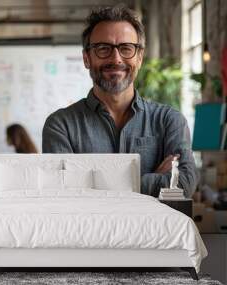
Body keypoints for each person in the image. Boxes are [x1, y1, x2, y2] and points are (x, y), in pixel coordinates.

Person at [42, 5, 197, 198]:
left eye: (126, 48)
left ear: (139, 58)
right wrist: (154, 179)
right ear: (86, 58)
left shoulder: (169, 120)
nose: (116, 59)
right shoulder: (61, 126)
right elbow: (65, 193)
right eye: (103, 49)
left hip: (151, 229)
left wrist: (95, 187)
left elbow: (184, 183)